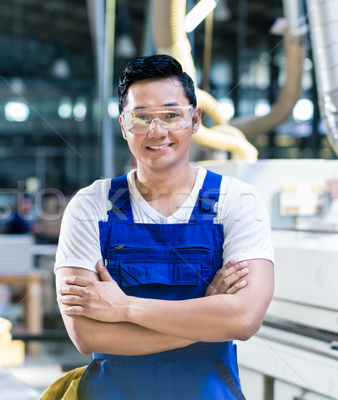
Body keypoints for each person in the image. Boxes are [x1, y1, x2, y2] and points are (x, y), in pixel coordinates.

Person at [54, 54, 274, 399]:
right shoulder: (90, 205)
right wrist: (206, 315)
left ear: (195, 119)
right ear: (125, 124)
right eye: (141, 117)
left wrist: (124, 308)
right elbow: (87, 335)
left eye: (171, 115)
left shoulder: (237, 200)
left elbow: (244, 318)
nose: (157, 131)